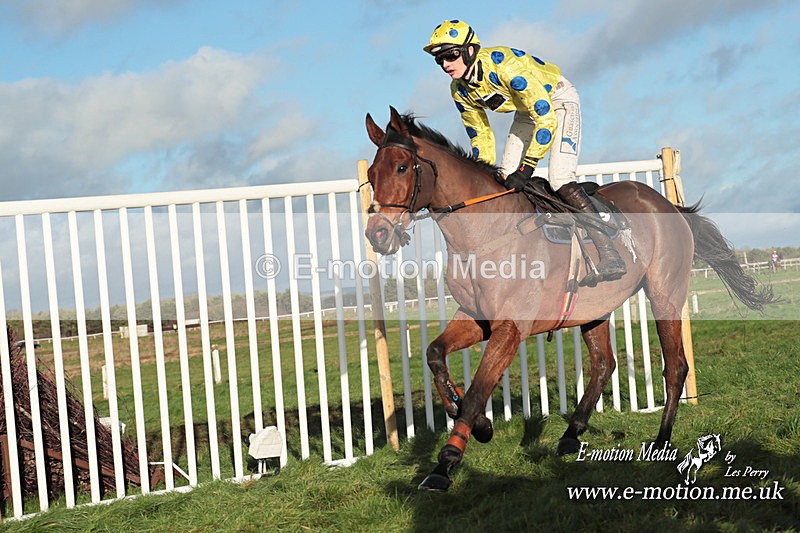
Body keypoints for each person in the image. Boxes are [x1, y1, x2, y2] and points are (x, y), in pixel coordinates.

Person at [423, 20, 626, 285]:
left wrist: (527, 167)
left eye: (451, 55)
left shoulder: (506, 67)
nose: (446, 64)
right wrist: (484, 172)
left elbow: (546, 119)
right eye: (440, 60)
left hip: (557, 101)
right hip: (526, 111)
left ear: (470, 50)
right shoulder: (459, 89)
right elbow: (481, 136)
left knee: (559, 178)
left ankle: (609, 252)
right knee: (503, 178)